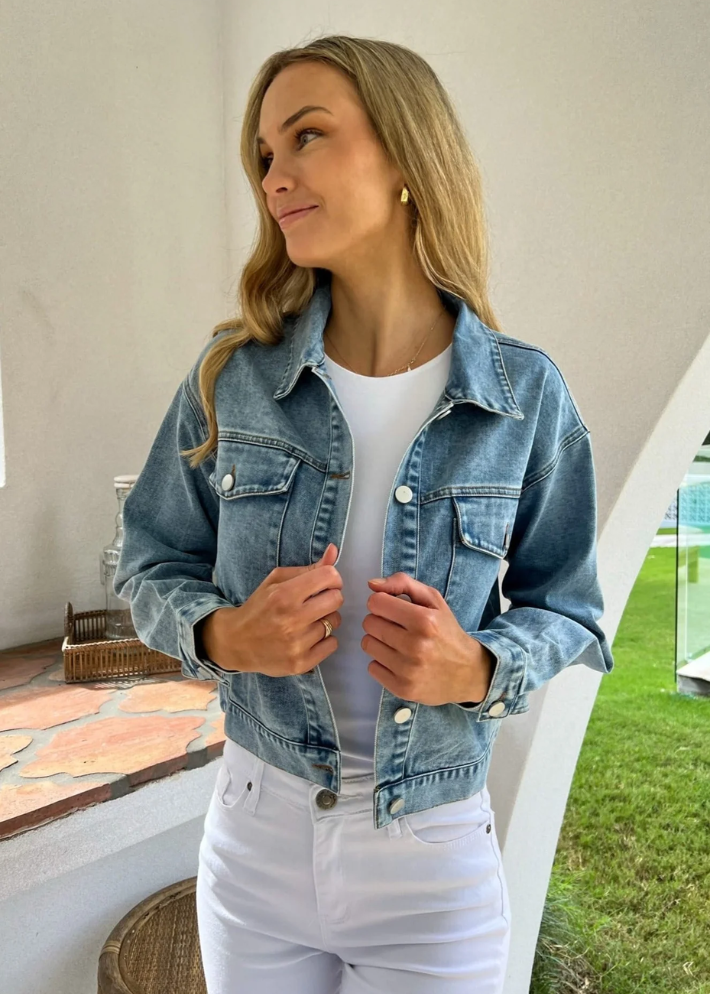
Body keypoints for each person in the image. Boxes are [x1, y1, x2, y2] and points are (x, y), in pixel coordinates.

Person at [114, 34, 614, 994]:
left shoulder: (525, 397)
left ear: (405, 160)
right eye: (264, 154)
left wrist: (479, 667)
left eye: (306, 136)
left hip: (431, 862)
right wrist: (222, 632)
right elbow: (147, 562)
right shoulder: (234, 378)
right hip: (256, 843)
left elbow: (574, 609)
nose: (274, 177)